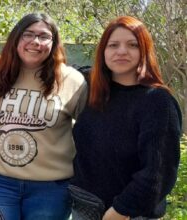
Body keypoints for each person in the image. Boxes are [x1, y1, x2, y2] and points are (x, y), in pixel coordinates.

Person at [0, 13, 87, 219]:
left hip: (51, 188)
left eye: (44, 36)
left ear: (53, 43)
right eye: (28, 34)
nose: (35, 42)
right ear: (16, 38)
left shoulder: (71, 80)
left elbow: (89, 131)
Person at [71, 16, 181, 219]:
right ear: (103, 51)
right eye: (113, 45)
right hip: (82, 205)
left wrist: (122, 209)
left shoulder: (157, 102)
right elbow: (55, 71)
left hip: (126, 213)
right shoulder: (93, 89)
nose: (121, 51)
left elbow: (158, 172)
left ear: (144, 51)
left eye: (132, 45)